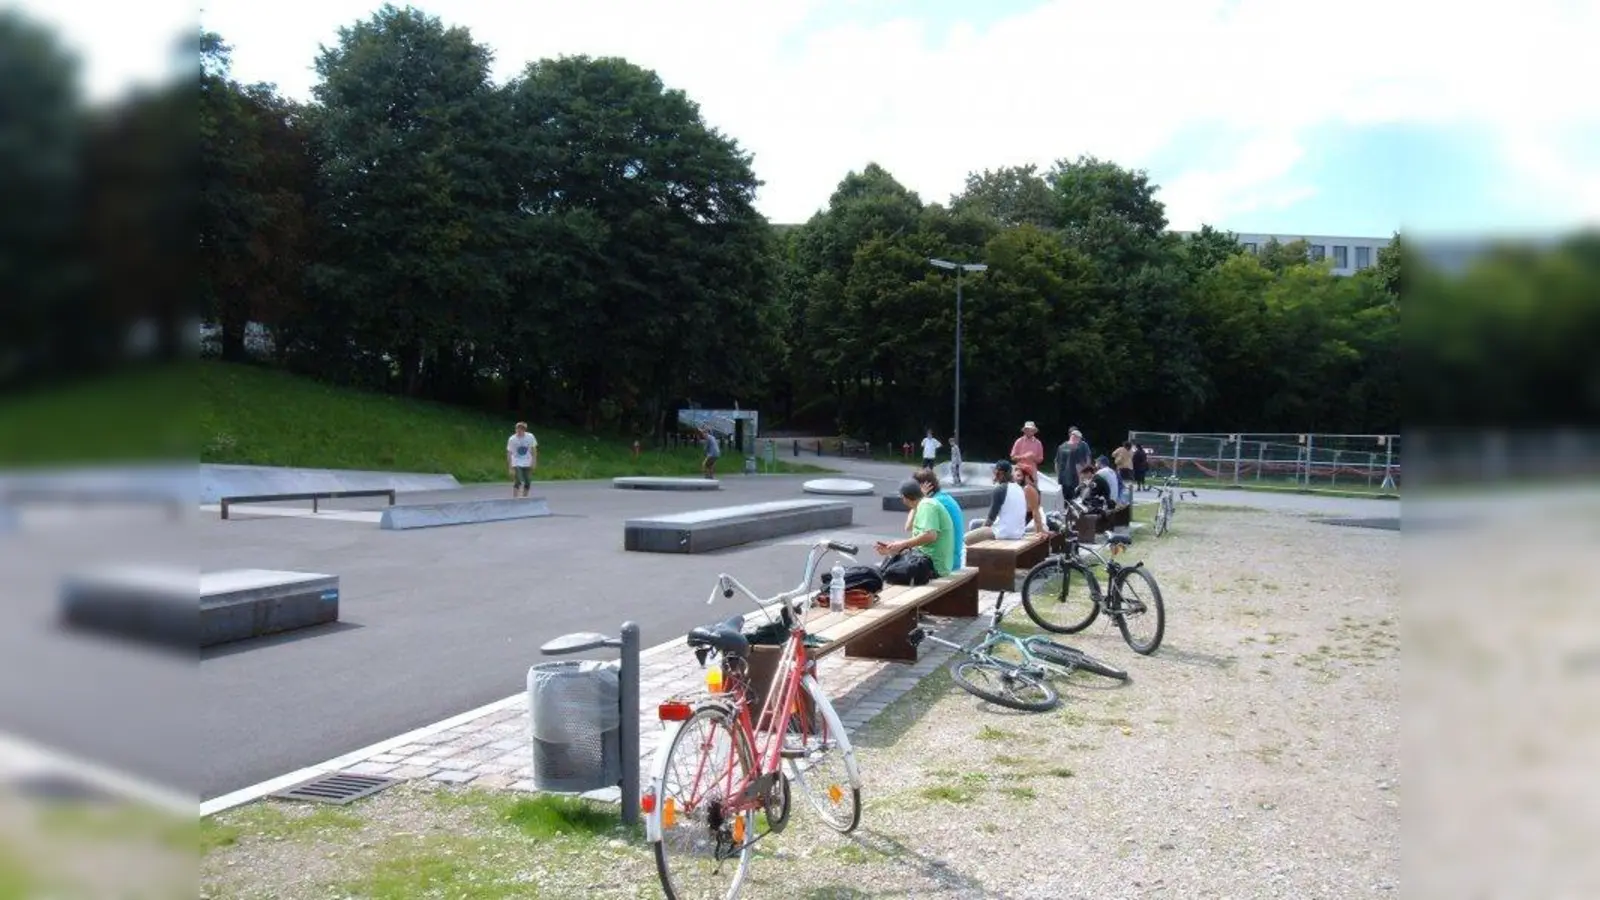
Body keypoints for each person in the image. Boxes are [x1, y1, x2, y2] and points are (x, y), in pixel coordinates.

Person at [876, 479, 956, 577]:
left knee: (889, 573)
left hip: (934, 566)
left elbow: (931, 535)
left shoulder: (927, 506)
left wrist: (903, 544)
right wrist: (895, 548)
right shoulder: (923, 505)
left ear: (903, 497)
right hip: (926, 560)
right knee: (888, 563)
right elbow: (908, 527)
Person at [965, 460, 1029, 545]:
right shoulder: (1019, 488)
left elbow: (990, 520)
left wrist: (979, 533)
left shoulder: (1000, 489)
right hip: (1019, 532)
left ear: (1000, 473)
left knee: (965, 540)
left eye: (995, 472)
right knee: (975, 524)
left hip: (1004, 533)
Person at [913, 469, 965, 569]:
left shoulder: (932, 504)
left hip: (945, 564)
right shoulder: (943, 497)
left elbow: (927, 534)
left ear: (924, 486)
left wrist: (904, 545)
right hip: (952, 559)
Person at [506, 421, 538, 498]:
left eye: (521, 429)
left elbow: (534, 449)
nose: (519, 430)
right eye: (517, 428)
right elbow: (509, 453)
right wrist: (510, 467)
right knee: (518, 480)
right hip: (516, 461)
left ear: (524, 430)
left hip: (527, 461)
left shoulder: (530, 437)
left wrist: (534, 462)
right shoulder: (512, 439)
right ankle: (515, 498)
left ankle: (524, 498)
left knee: (527, 481)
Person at [1014, 462, 1047, 534]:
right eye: (1015, 476)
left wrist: (1039, 531)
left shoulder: (1028, 489)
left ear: (1027, 476)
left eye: (1019, 476)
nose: (1016, 478)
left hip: (1029, 520)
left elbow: (1034, 511)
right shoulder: (1023, 488)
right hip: (1025, 519)